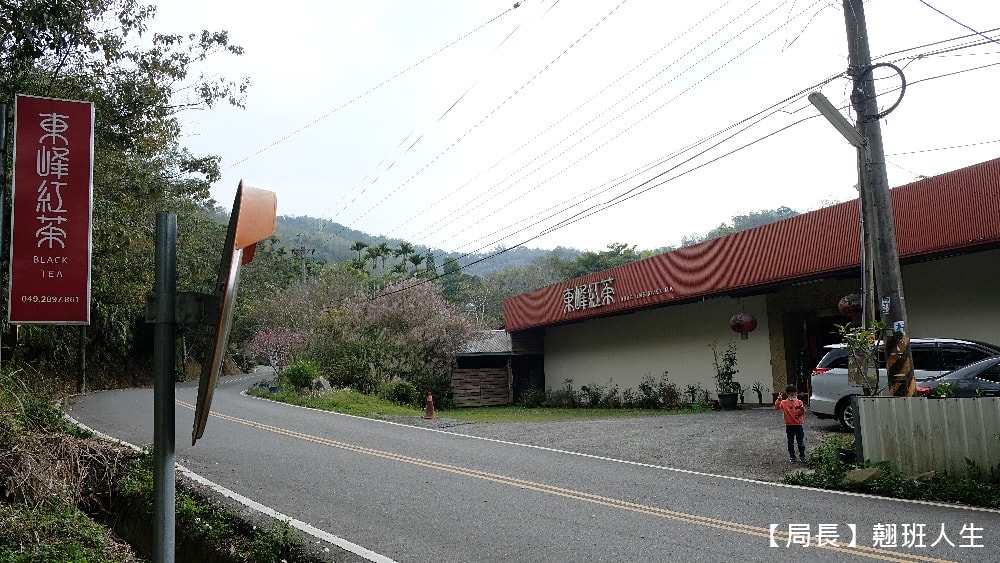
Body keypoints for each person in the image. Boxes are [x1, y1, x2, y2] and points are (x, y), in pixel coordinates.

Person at [774, 384, 806, 463]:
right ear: (787, 394)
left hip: (798, 425)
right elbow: (777, 407)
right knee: (790, 442)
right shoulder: (784, 402)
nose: (794, 396)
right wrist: (778, 400)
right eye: (792, 395)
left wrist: (802, 410)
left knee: (801, 442)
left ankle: (802, 456)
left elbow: (802, 413)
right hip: (789, 425)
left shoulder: (799, 402)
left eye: (795, 394)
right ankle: (792, 456)